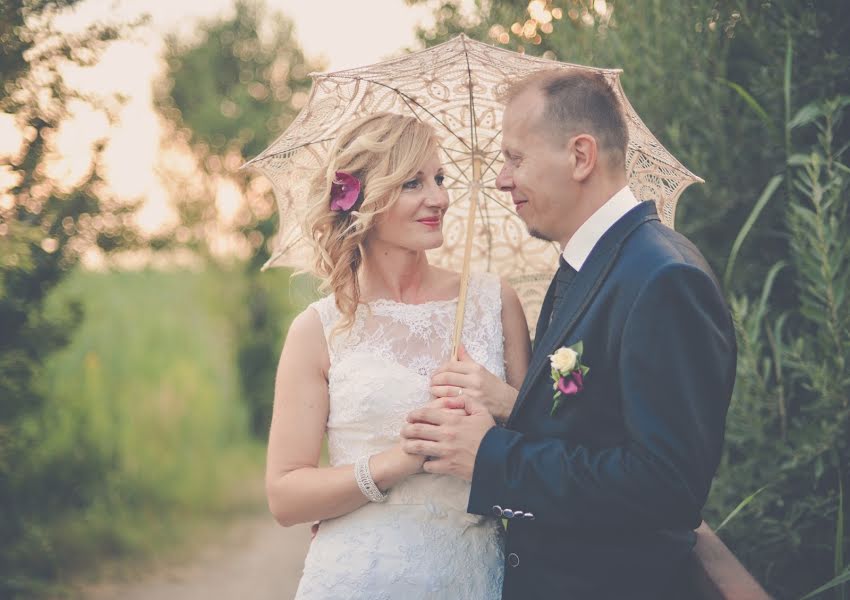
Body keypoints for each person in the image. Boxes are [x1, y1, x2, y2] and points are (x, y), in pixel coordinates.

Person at [401, 70, 737, 599]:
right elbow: (600, 425)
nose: (502, 180)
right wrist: (515, 406)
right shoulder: (589, 267)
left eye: (515, 158)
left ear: (580, 157)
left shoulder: (663, 279)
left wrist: (491, 457)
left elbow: (665, 486)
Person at [264, 112, 531, 599]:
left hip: (470, 576)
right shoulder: (319, 328)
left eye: (440, 178)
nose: (440, 198)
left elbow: (543, 449)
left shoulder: (495, 301)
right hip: (355, 579)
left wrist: (502, 401)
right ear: (361, 198)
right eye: (413, 182)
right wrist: (398, 461)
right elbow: (285, 495)